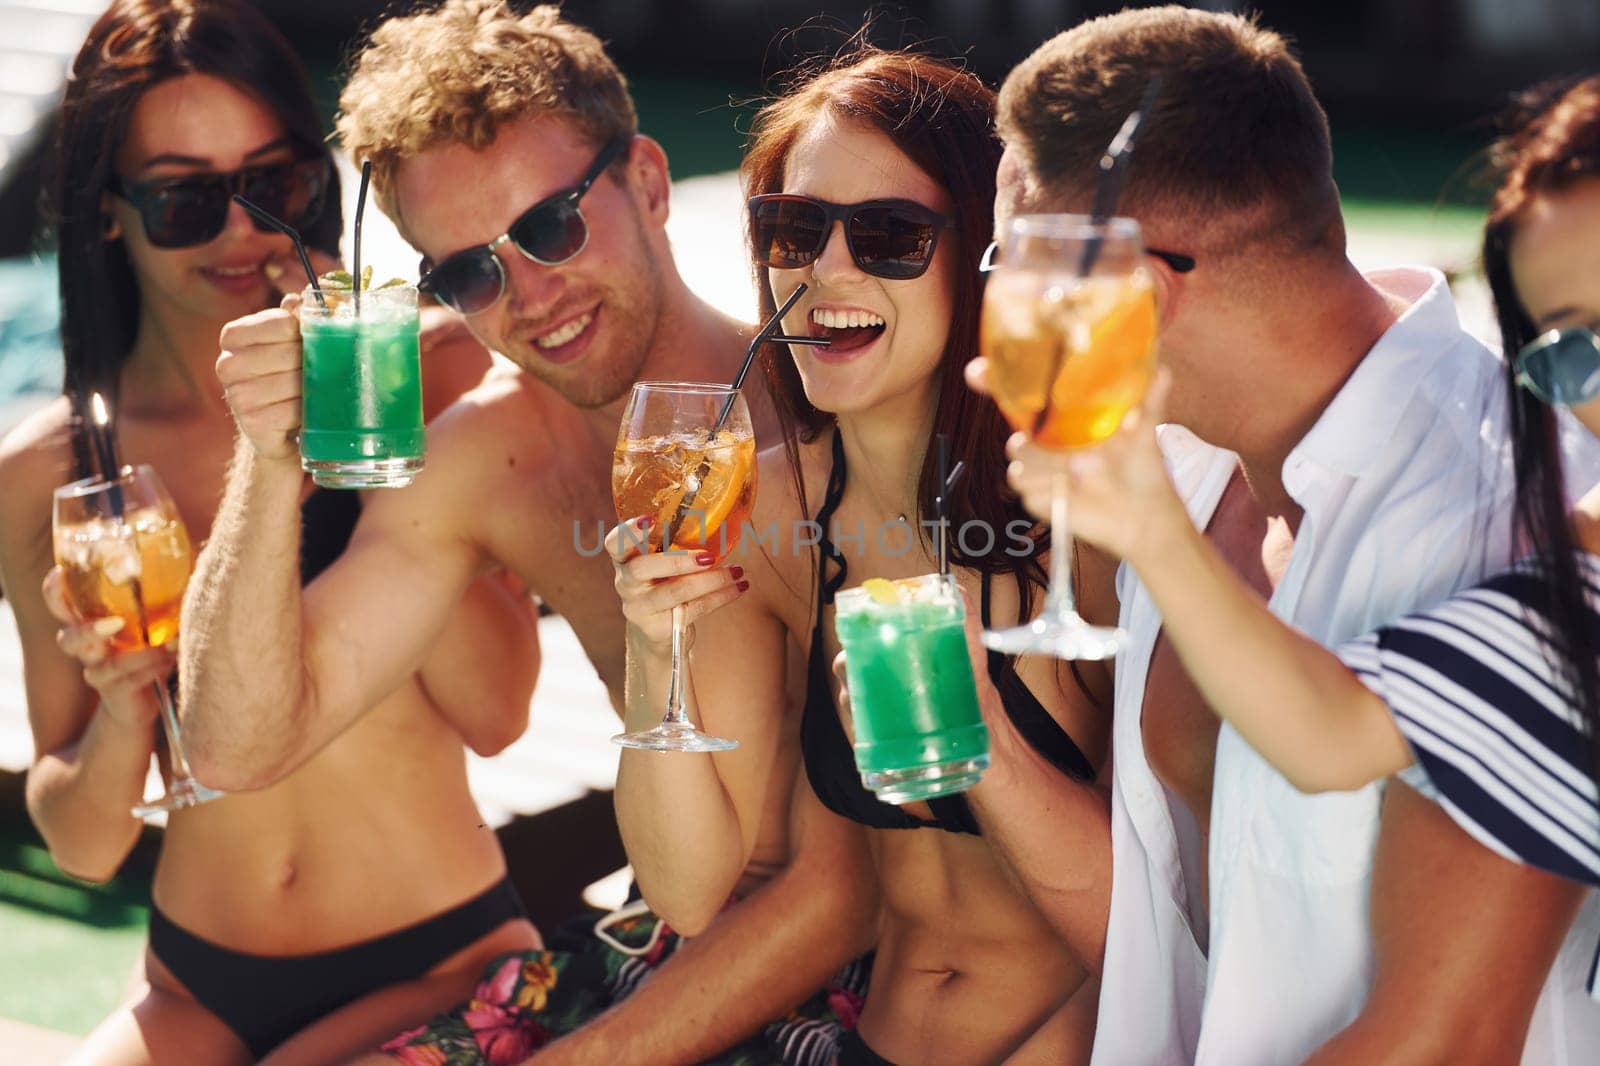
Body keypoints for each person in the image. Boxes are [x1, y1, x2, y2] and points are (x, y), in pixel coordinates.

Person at [182, 2, 871, 1062]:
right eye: (467, 271)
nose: (529, 293)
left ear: (647, 179)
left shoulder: (819, 410)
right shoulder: (487, 459)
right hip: (651, 938)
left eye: (549, 225)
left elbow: (847, 887)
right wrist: (270, 463)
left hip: (853, 974)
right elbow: (235, 746)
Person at [965, 7, 1600, 1064]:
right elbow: (1189, 930)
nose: (1005, 296)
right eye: (1564, 351)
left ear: (1131, 291)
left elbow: (1440, 1040)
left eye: (1015, 256)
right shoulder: (1174, 466)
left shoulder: (1508, 523)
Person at [0, 1, 543, 1062]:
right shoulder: (53, 472)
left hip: (439, 955)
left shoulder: (438, 374)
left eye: (273, 182)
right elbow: (83, 841)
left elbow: (499, 714)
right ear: (108, 211)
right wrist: (121, 706)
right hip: (196, 981)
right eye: (186, 200)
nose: (245, 229)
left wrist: (367, 442)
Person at [606, 49, 1114, 1064]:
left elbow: (1174, 919)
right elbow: (687, 885)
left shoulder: (1082, 506)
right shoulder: (771, 508)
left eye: (888, 235)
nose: (824, 271)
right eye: (792, 229)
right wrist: (652, 647)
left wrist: (981, 741)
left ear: (981, 249)